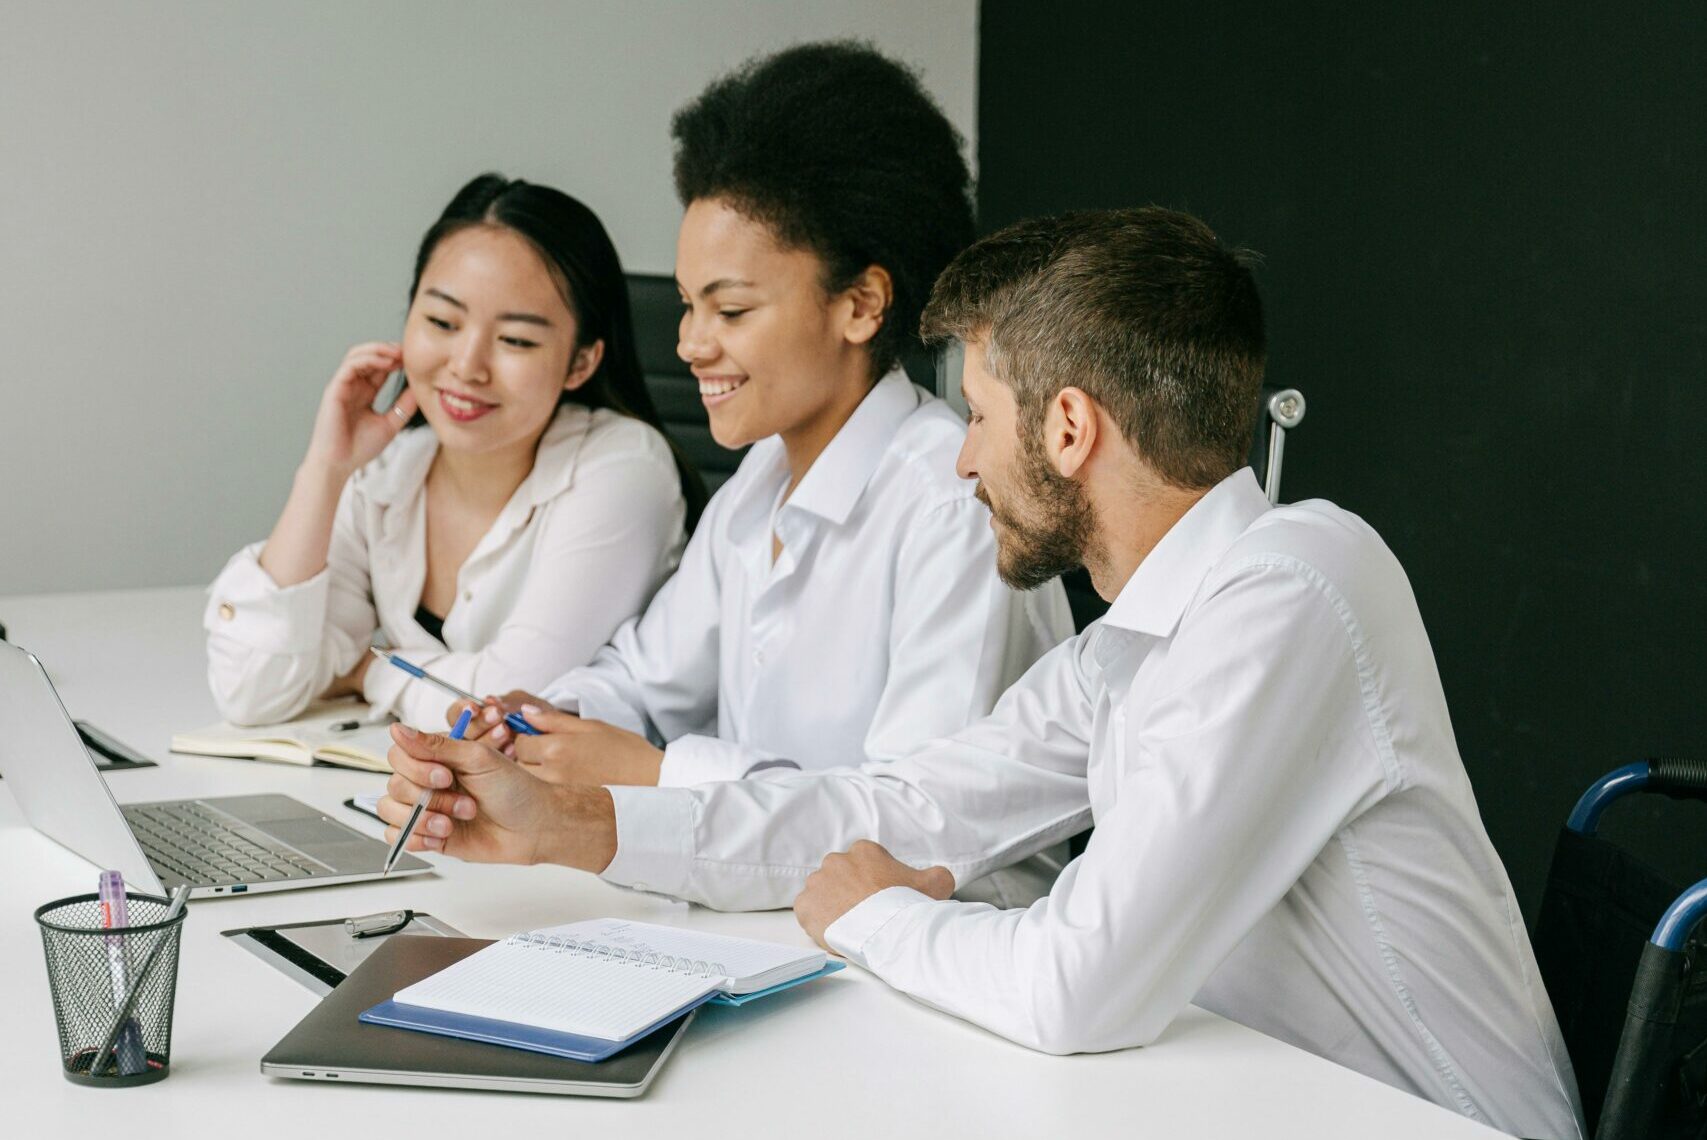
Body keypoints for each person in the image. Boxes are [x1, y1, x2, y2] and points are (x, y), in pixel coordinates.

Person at [378, 206, 1584, 1139]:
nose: (959, 464)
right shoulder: (1131, 637)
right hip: (1237, 1097)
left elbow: (1079, 982)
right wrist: (582, 825)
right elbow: (900, 805)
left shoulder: (1295, 590)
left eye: (979, 418)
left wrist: (881, 913)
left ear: (1068, 430)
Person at [447, 42, 1071, 893]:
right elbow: (644, 677)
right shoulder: (760, 485)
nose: (690, 344)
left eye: (730, 309)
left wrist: (657, 775)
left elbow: (914, 826)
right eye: (688, 304)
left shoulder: (954, 506)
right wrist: (543, 722)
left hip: (933, 946)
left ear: (861, 304)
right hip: (761, 922)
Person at [205, 174, 702, 728]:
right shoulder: (390, 473)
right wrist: (324, 471)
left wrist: (371, 671)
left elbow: (509, 707)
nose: (467, 366)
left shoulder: (624, 470)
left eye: (515, 340)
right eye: (442, 322)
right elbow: (251, 691)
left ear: (581, 362)